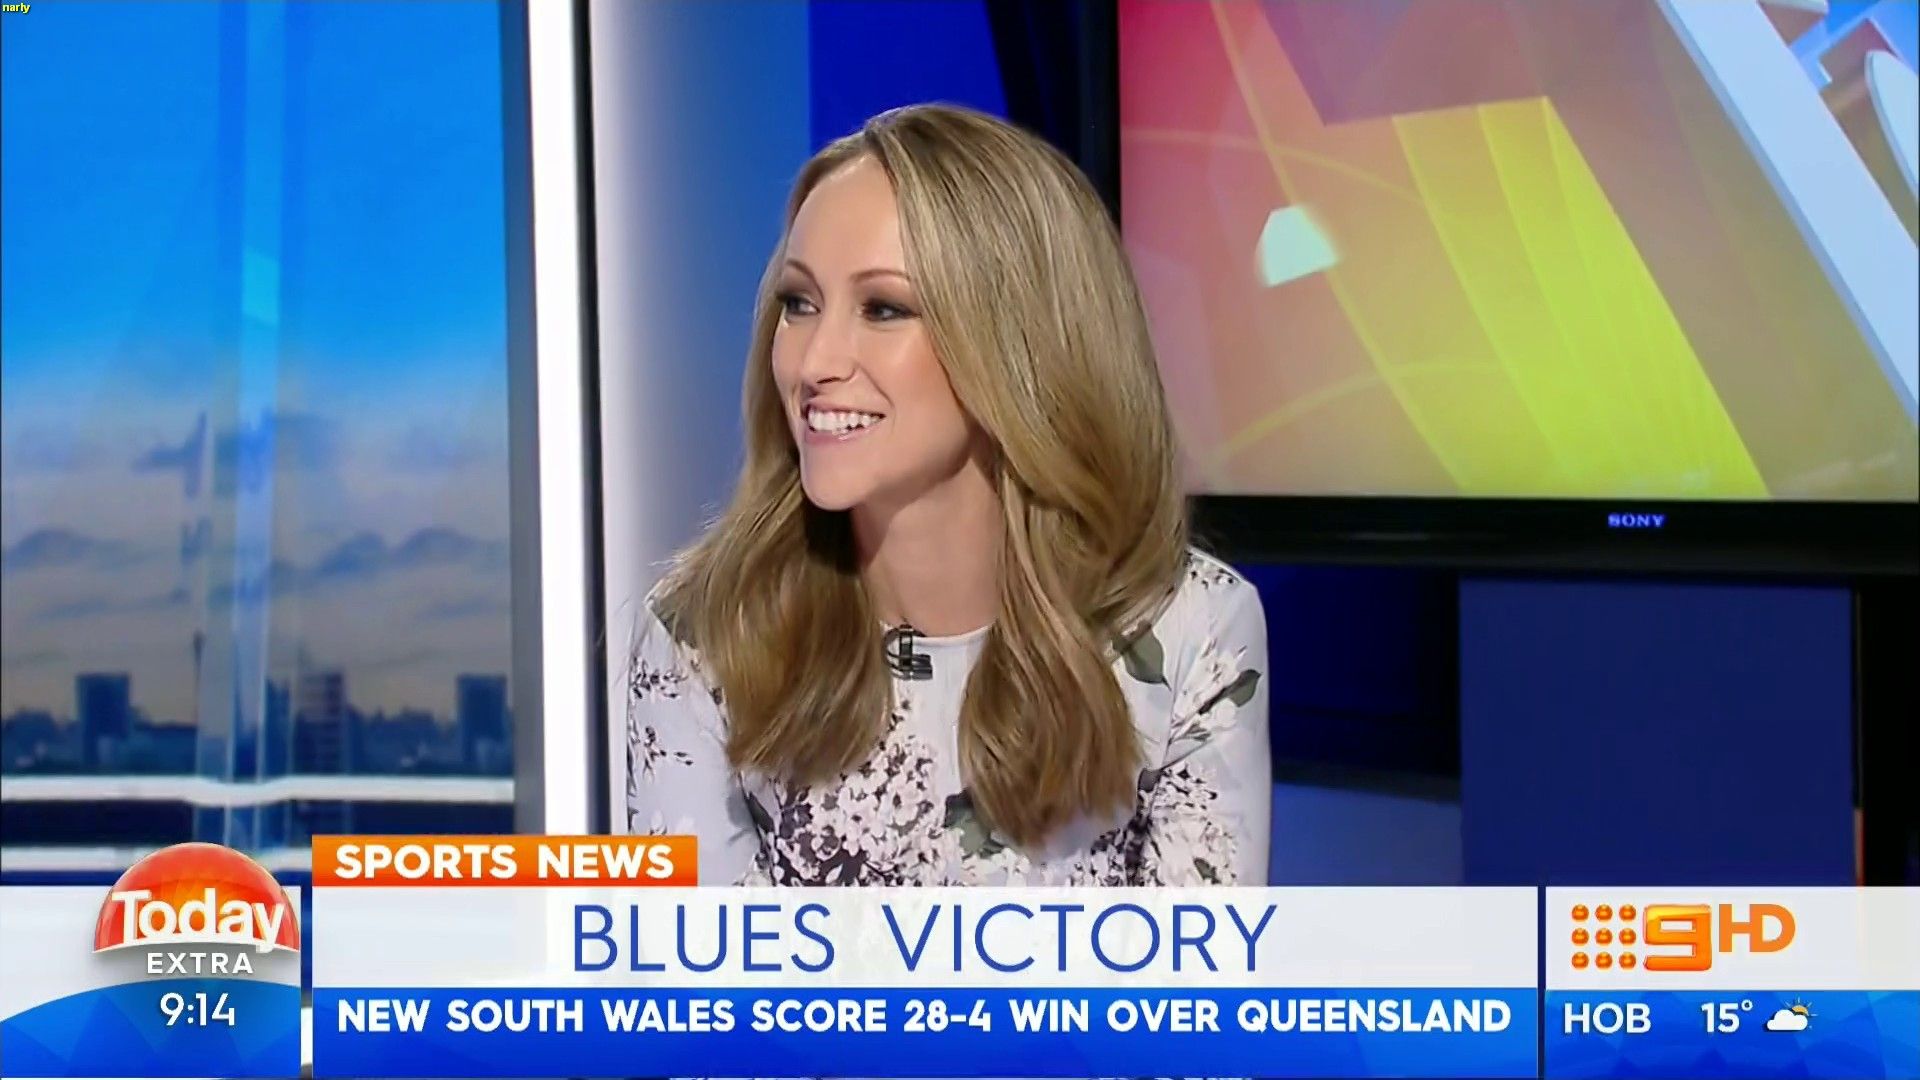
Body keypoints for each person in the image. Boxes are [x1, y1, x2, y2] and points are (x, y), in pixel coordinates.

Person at [624, 103, 1269, 888]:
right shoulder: (705, 637)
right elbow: (694, 964)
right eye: (799, 303)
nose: (813, 362)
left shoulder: (1191, 632)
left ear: (1019, 346)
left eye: (883, 309)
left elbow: (1199, 966)